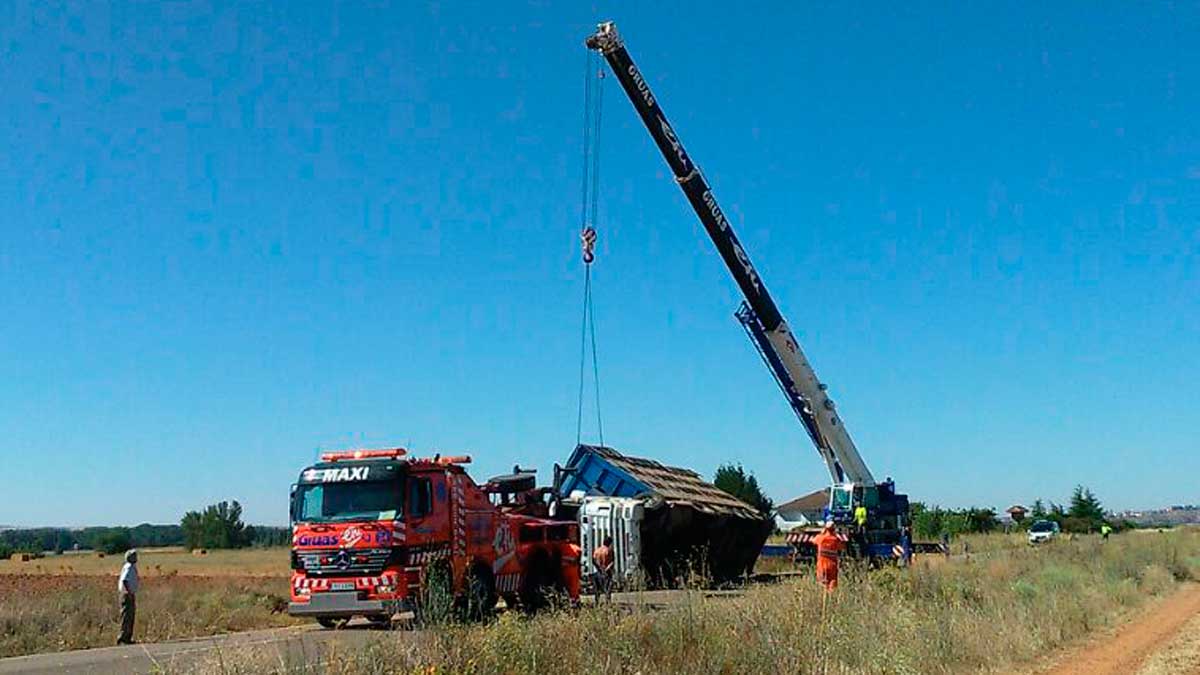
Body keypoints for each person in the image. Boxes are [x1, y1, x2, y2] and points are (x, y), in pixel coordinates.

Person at [812, 522, 846, 591]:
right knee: (832, 584)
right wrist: (836, 535)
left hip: (822, 565)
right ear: (834, 529)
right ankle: (832, 598)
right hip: (832, 566)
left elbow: (813, 540)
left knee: (823, 585)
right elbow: (842, 547)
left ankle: (824, 599)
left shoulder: (821, 538)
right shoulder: (835, 540)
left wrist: (822, 533)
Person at [116, 549, 139, 645]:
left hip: (127, 593)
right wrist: (129, 592)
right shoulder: (129, 567)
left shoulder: (128, 566)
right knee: (127, 616)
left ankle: (127, 637)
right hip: (127, 594)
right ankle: (123, 637)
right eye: (134, 556)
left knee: (129, 616)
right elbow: (125, 580)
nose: (136, 557)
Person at [591, 536, 615, 603]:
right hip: (606, 572)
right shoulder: (609, 551)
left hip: (597, 572)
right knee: (607, 590)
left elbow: (593, 560)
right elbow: (612, 562)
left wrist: (599, 568)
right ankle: (608, 604)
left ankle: (597, 604)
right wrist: (606, 569)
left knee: (597, 591)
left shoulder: (597, 550)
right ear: (610, 543)